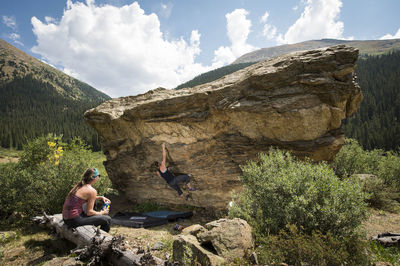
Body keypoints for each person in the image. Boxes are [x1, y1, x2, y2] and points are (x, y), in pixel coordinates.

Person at [62, 168, 112, 232]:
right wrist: (102, 213)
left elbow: (80, 199)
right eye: (98, 176)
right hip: (74, 220)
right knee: (107, 219)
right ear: (95, 178)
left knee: (95, 202)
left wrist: (99, 197)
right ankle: (101, 239)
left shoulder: (78, 186)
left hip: (66, 219)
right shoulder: (92, 191)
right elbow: (89, 212)